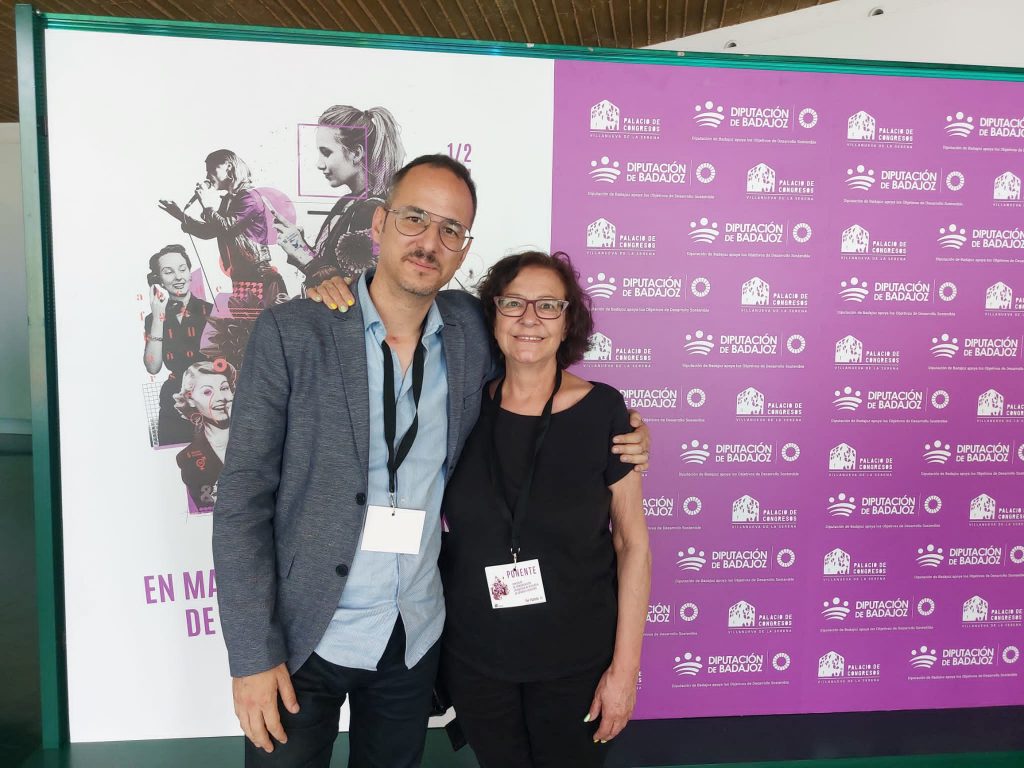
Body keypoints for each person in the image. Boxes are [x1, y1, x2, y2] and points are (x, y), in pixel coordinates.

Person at [214, 154, 649, 768]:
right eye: (414, 218)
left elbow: (538, 371)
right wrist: (251, 656)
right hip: (304, 636)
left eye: (451, 229)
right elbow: (241, 503)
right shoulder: (296, 333)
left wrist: (627, 432)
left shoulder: (472, 332)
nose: (429, 241)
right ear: (380, 221)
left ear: (464, 247)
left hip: (412, 633)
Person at [438, 251, 651, 768]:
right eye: (513, 303)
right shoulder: (462, 407)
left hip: (576, 666)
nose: (529, 318)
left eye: (548, 305)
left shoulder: (604, 411)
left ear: (567, 320)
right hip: (478, 663)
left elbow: (632, 544)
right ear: (493, 315)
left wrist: (625, 672)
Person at [273, 105, 405, 288]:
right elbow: (331, 267)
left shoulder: (372, 211)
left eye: (326, 153)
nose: (319, 164)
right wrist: (300, 245)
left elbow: (354, 291)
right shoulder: (347, 202)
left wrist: (302, 255)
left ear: (356, 153)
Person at [159, 149, 287, 308]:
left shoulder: (250, 196)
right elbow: (210, 231)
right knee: (246, 322)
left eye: (211, 170)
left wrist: (207, 205)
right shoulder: (228, 200)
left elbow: (227, 226)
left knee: (264, 320)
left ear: (228, 167)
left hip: (260, 276)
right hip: (241, 275)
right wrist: (180, 215)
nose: (207, 176)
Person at [142, 244, 213, 446]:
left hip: (210, 399)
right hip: (174, 400)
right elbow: (153, 367)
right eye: (168, 272)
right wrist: (158, 317)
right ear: (158, 279)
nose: (178, 277)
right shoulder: (153, 319)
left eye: (182, 269)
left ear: (190, 273)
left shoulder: (212, 311)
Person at [173, 359, 236, 514]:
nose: (220, 397)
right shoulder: (187, 459)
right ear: (190, 399)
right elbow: (208, 509)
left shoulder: (259, 438)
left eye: (224, 388)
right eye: (207, 392)